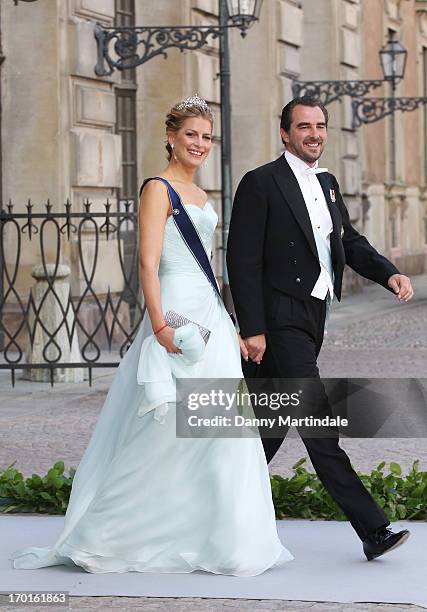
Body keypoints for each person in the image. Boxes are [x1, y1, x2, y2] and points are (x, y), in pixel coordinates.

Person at [10, 95, 293, 575]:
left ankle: (222, 539)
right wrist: (160, 323)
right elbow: (147, 262)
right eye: (191, 135)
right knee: (163, 429)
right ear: (171, 137)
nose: (200, 144)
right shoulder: (158, 189)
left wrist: (234, 324)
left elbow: (213, 268)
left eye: (206, 137)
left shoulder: (204, 197)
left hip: (211, 315)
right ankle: (110, 535)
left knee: (224, 432)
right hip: (176, 316)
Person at [226, 96, 414, 562]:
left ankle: (205, 509)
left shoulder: (327, 184)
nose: (314, 133)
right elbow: (241, 261)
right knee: (318, 423)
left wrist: (387, 272)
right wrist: (251, 327)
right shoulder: (260, 183)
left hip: (311, 317)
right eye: (304, 126)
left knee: (267, 430)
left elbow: (347, 240)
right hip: (277, 321)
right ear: (284, 133)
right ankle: (372, 528)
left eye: (320, 125)